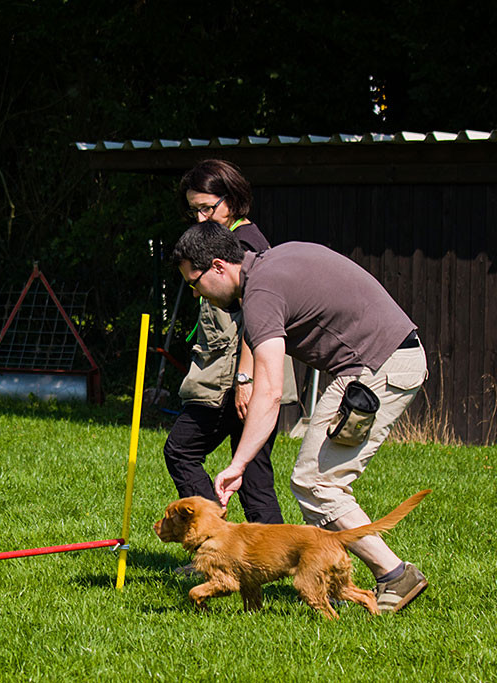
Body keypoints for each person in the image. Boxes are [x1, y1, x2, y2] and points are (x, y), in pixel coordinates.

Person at [171, 222, 429, 613]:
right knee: (316, 481)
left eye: (195, 281)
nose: (195, 292)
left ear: (219, 266)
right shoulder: (279, 257)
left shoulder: (259, 297)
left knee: (314, 483)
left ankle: (395, 575)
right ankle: (373, 577)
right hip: (385, 358)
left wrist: (237, 464)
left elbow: (270, 391)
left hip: (379, 366)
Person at [162, 159, 292, 526]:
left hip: (235, 378)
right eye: (194, 210)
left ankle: (215, 541)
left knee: (182, 449)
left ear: (232, 198)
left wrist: (246, 380)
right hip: (231, 374)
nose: (201, 217)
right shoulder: (223, 238)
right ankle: (259, 558)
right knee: (253, 478)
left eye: (207, 207)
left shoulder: (247, 244)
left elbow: (259, 318)